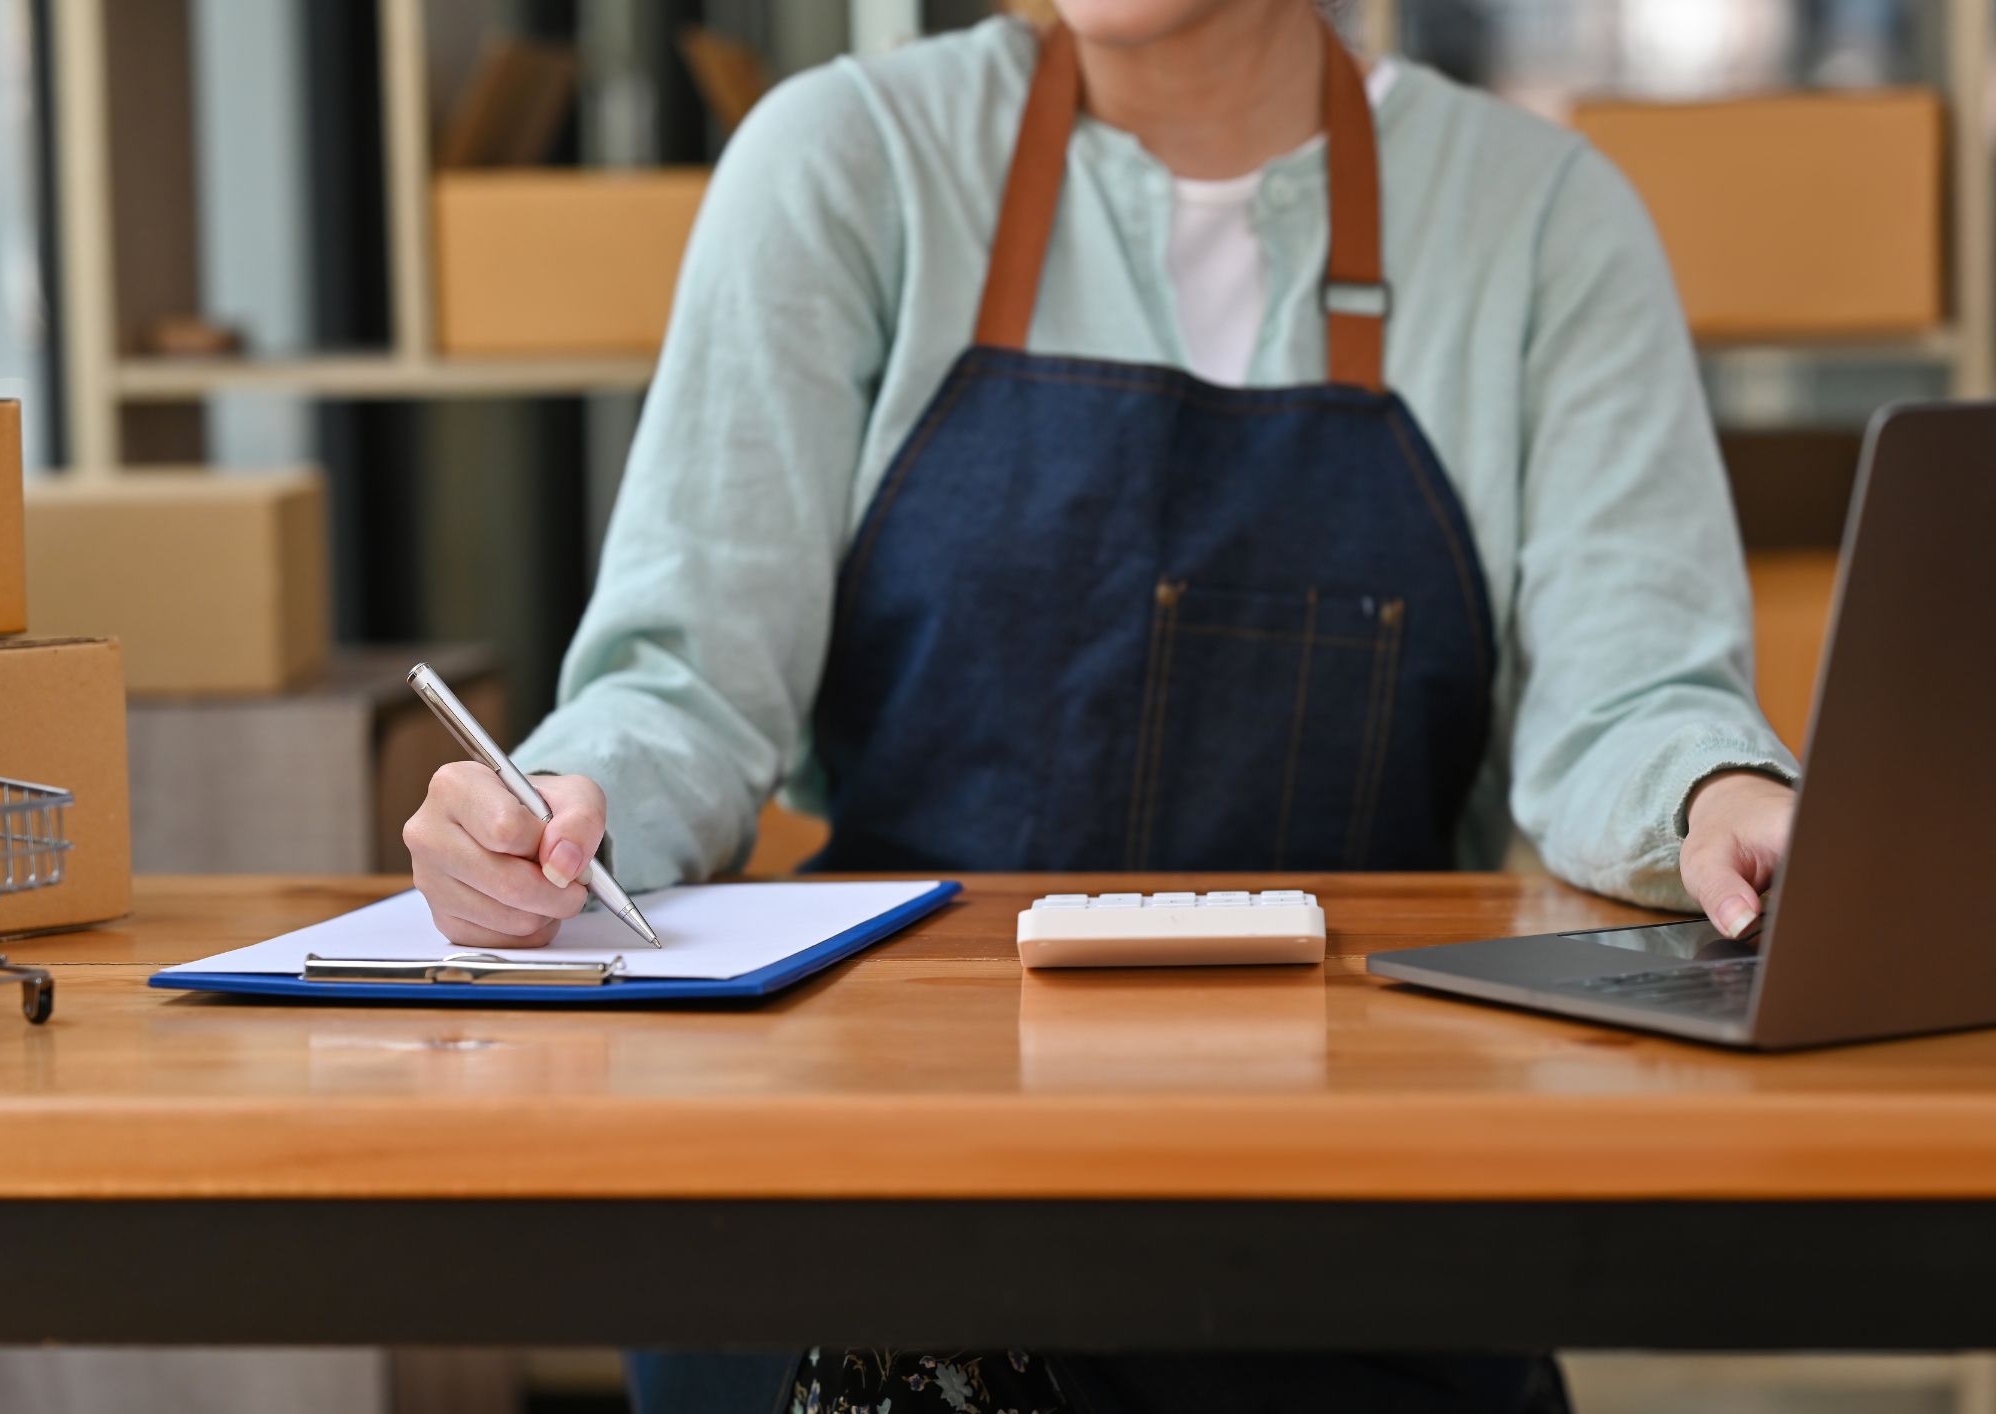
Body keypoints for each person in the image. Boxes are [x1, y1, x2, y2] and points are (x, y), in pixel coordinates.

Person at [403, 0, 1799, 1407]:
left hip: (1343, 1220)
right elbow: (685, 680)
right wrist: (559, 815)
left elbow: (1632, 692)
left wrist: (1717, 795)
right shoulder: (848, 160)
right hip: (868, 1212)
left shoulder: (1542, 217)